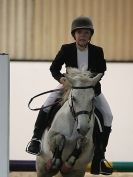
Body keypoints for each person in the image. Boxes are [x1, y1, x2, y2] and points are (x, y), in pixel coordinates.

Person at [26, 16, 113, 175]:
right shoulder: (66, 49)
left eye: (86, 33)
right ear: (74, 35)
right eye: (80, 32)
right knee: (47, 104)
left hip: (89, 89)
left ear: (90, 35)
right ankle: (36, 140)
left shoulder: (97, 51)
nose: (83, 35)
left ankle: (99, 157)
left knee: (107, 115)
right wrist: (62, 79)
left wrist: (90, 82)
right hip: (68, 86)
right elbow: (54, 68)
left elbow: (102, 71)